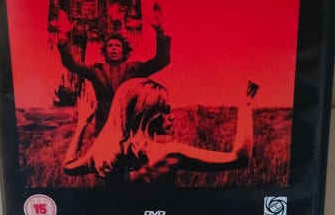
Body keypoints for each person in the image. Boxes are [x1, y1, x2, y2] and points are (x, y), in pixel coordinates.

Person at [63, 78, 256, 185]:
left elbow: (68, 166)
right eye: (164, 110)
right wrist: (245, 105)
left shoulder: (101, 155)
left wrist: (81, 125)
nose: (171, 116)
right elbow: (239, 158)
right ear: (145, 113)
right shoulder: (169, 154)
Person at [57, 5, 171, 134]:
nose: (114, 48)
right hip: (104, 126)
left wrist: (159, 31)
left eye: (117, 45)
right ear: (105, 51)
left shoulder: (135, 68)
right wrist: (63, 36)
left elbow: (162, 61)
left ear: (124, 50)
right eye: (110, 46)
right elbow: (71, 64)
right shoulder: (96, 70)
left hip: (129, 125)